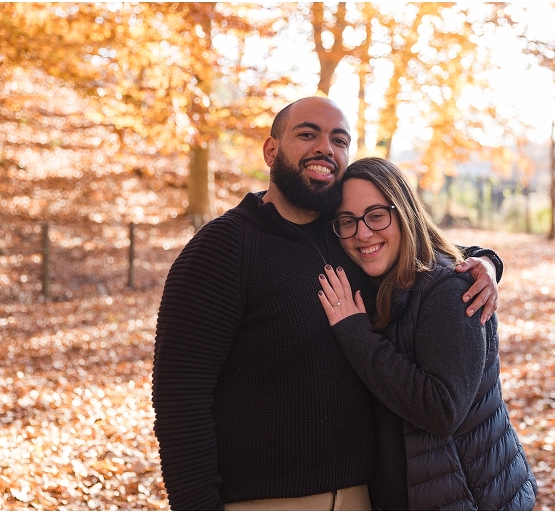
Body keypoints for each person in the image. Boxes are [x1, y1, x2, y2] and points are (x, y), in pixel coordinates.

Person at [152, 96, 503, 510]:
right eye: (307, 134)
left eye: (339, 139)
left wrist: (487, 263)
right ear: (271, 150)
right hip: (266, 501)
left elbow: (419, 252)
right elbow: (180, 399)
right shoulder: (223, 249)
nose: (325, 148)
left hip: (363, 498)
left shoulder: (344, 236)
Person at [316, 157, 537, 510]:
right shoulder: (379, 281)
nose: (362, 233)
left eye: (376, 215)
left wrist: (355, 334)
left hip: (468, 498)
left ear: (404, 212)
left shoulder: (448, 291)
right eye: (348, 221)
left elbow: (441, 410)